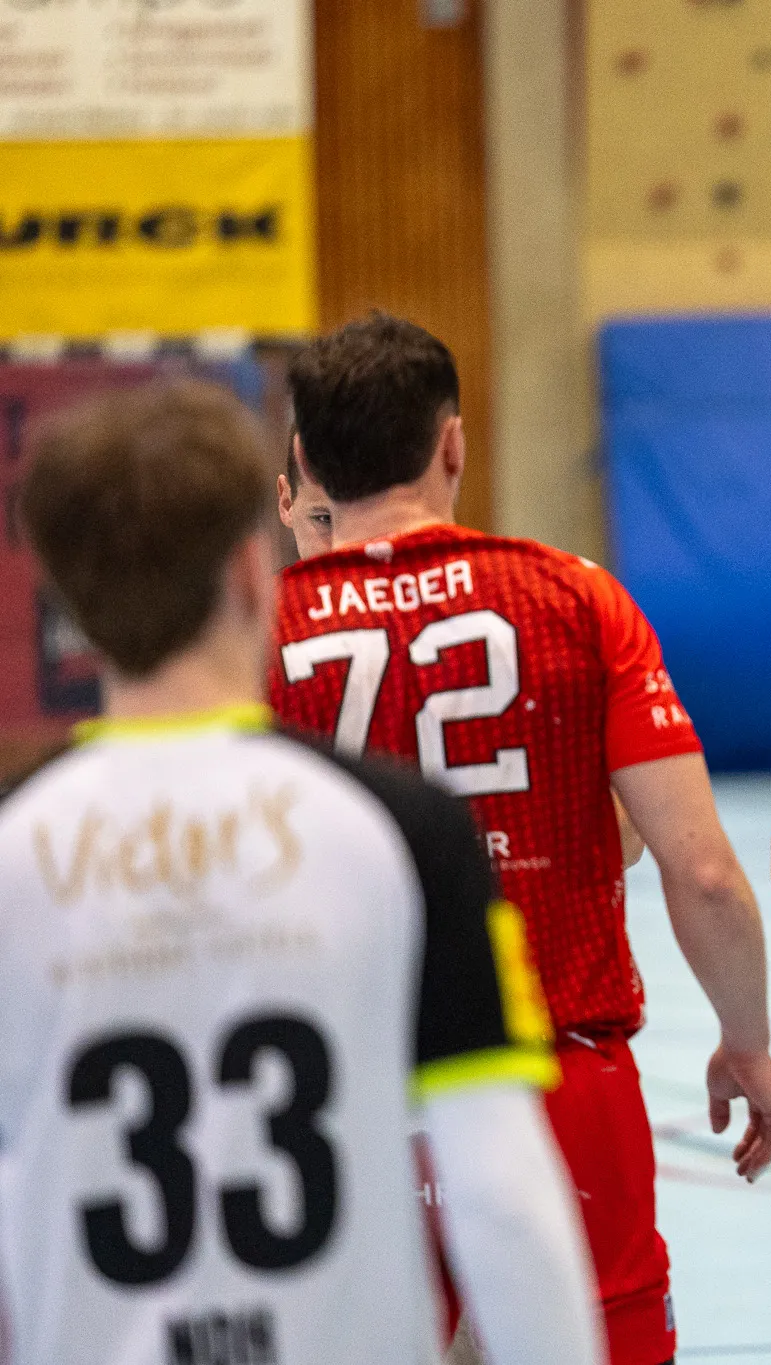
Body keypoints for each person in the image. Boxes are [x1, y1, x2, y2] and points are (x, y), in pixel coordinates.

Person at [0, 380, 603, 1365]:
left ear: (68, 610)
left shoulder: (15, 848)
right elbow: (498, 1191)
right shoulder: (400, 828)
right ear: (250, 571)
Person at [269, 313, 771, 1365]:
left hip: (335, 1095)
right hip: (556, 1074)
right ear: (452, 444)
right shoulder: (573, 597)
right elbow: (701, 871)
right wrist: (747, 1040)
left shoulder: (260, 627)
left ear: (305, 462)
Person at [278, 443, 647, 869]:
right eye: (324, 520)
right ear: (286, 502)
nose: (350, 546)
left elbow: (624, 835)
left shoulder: (527, 616)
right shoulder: (261, 635)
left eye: (364, 518)